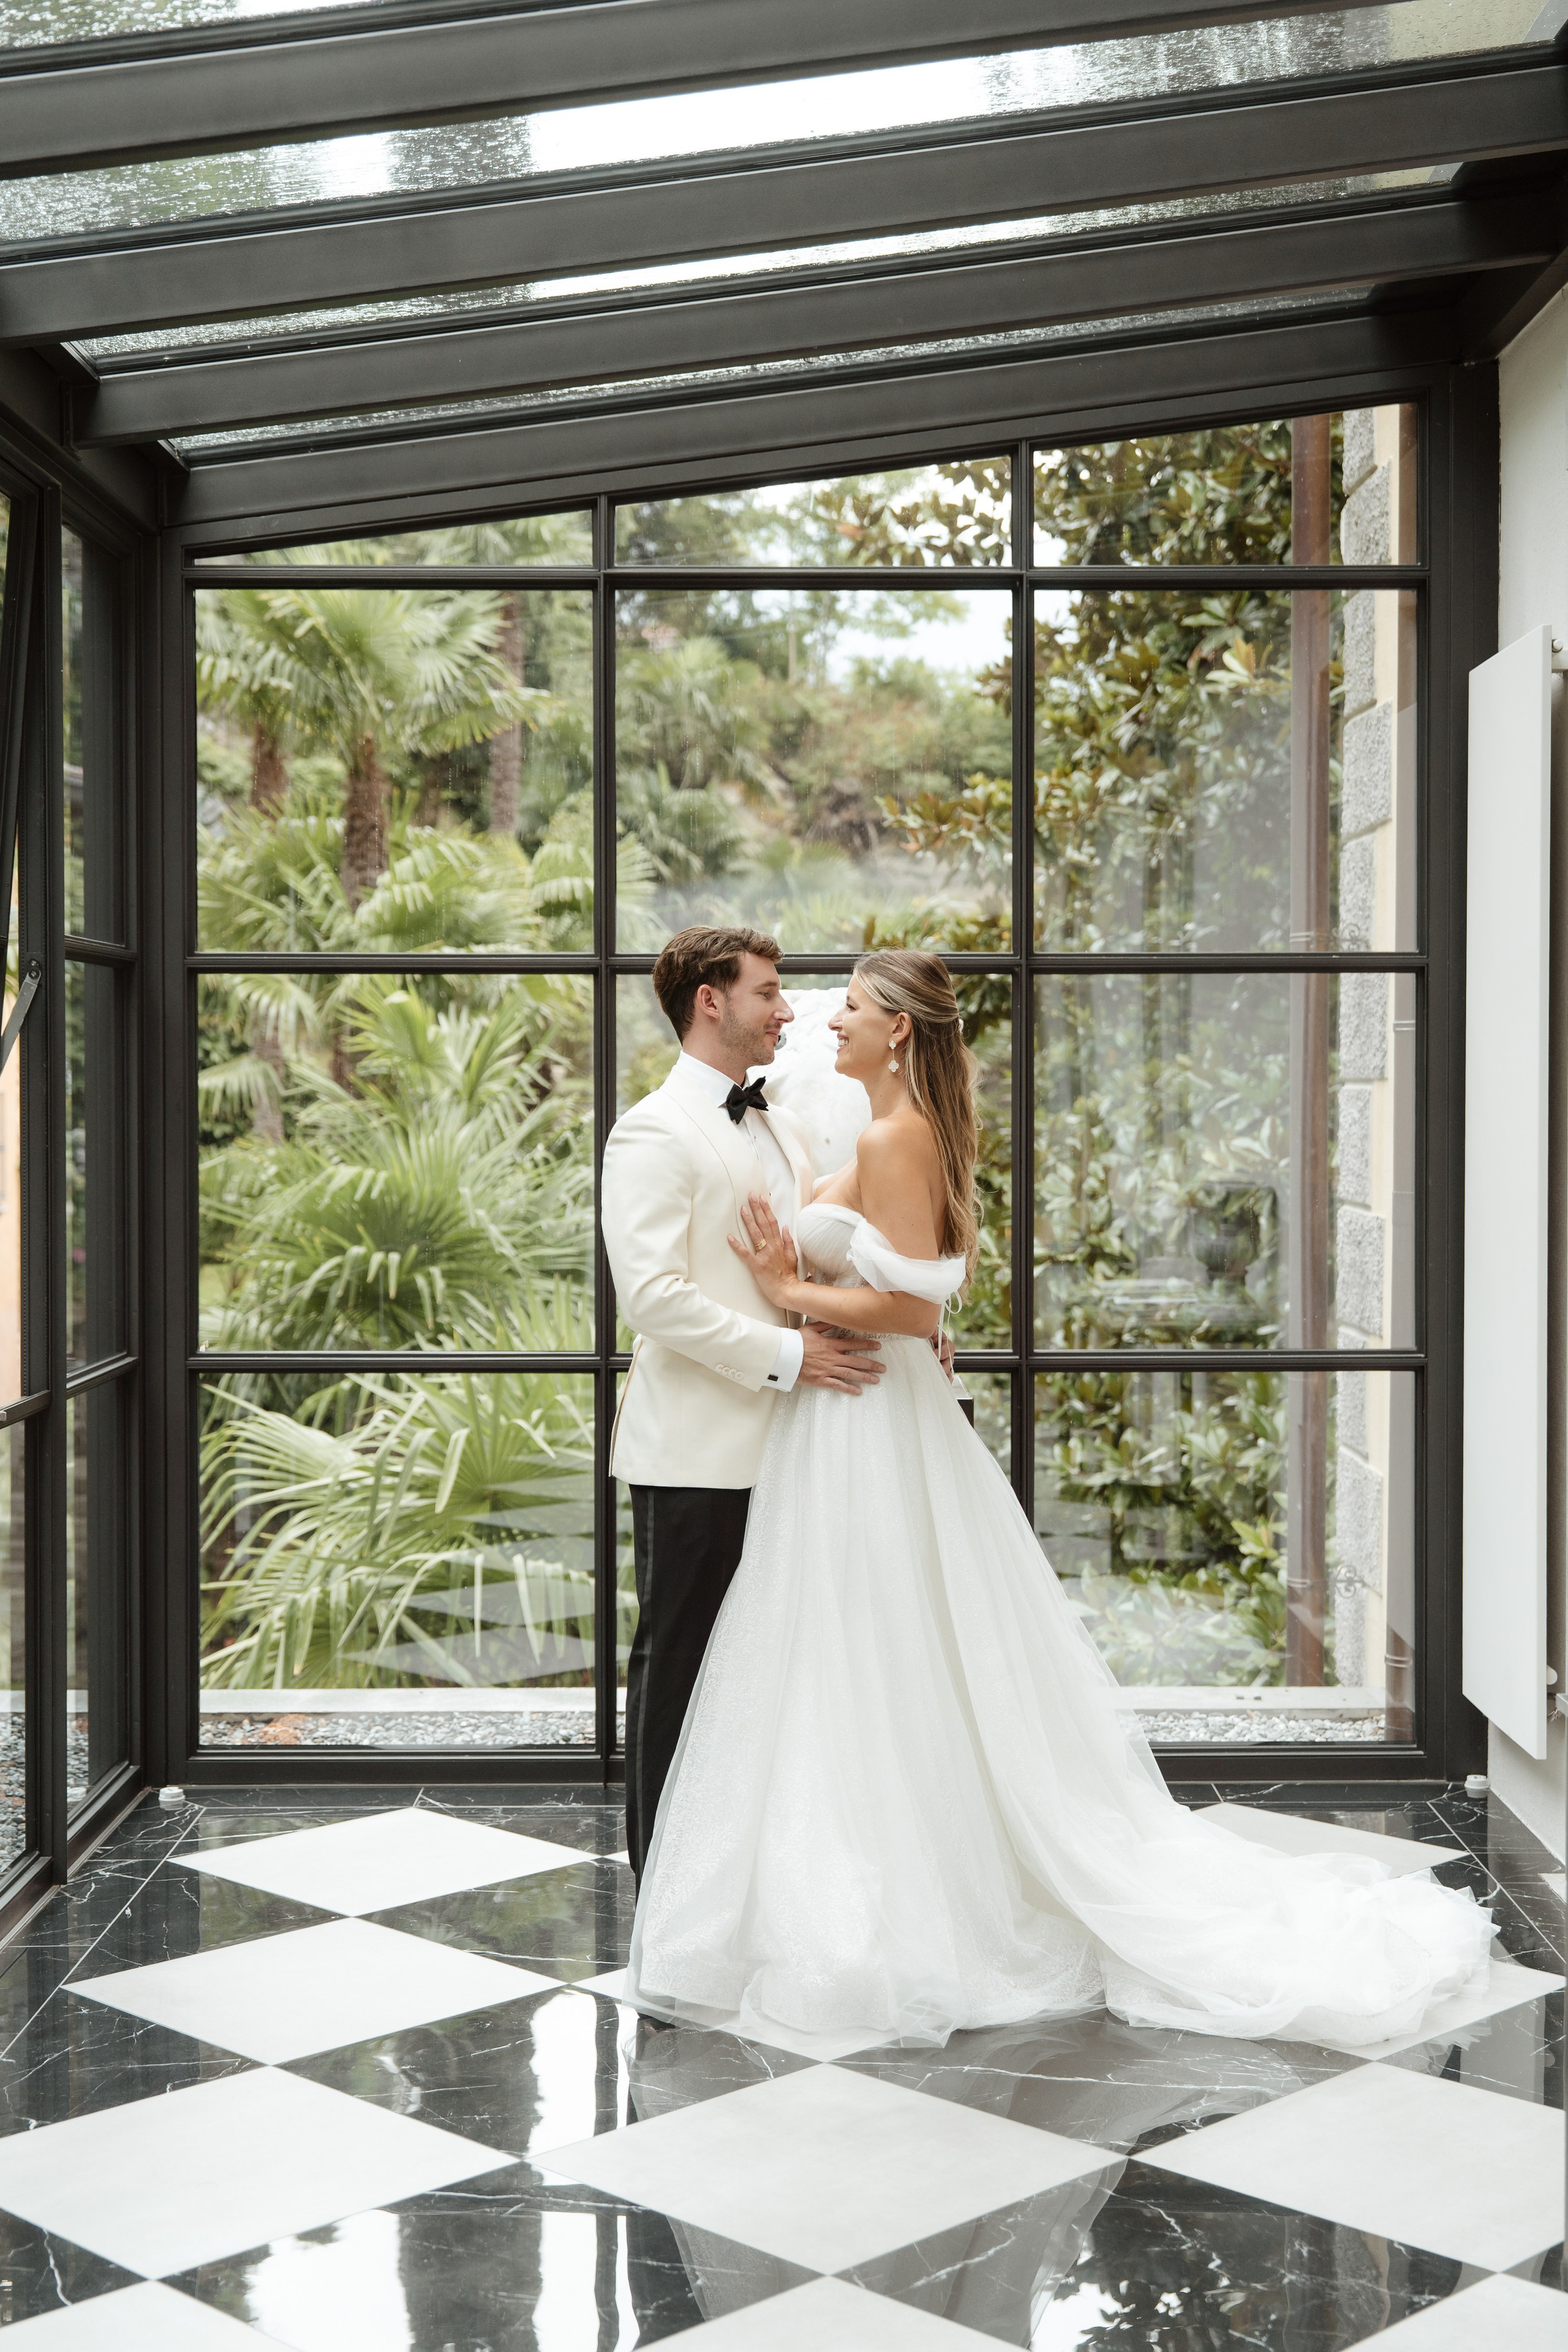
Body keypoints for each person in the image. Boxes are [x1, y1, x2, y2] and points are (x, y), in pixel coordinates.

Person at [624, 948, 1495, 2052]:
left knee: (872, 1636)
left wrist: (796, 1292)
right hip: (834, 1422)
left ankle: (904, 1884)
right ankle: (855, 1864)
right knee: (854, 1643)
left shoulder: (896, 1135)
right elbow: (906, 1274)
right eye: (797, 1000)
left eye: (844, 1006)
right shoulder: (844, 1123)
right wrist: (819, 1289)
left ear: (897, 1030)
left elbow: (906, 1294)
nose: (815, 1020)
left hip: (860, 1417)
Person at [601, 924, 886, 1886]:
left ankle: (750, 1881)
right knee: (679, 1665)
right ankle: (662, 1886)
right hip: (698, 1453)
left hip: (802, 1447)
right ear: (709, 1001)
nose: (787, 1010)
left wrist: (902, 1317)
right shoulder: (650, 1129)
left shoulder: (780, 1122)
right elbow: (651, 1298)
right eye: (768, 992)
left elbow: (810, 1255)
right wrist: (788, 1357)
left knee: (779, 1674)